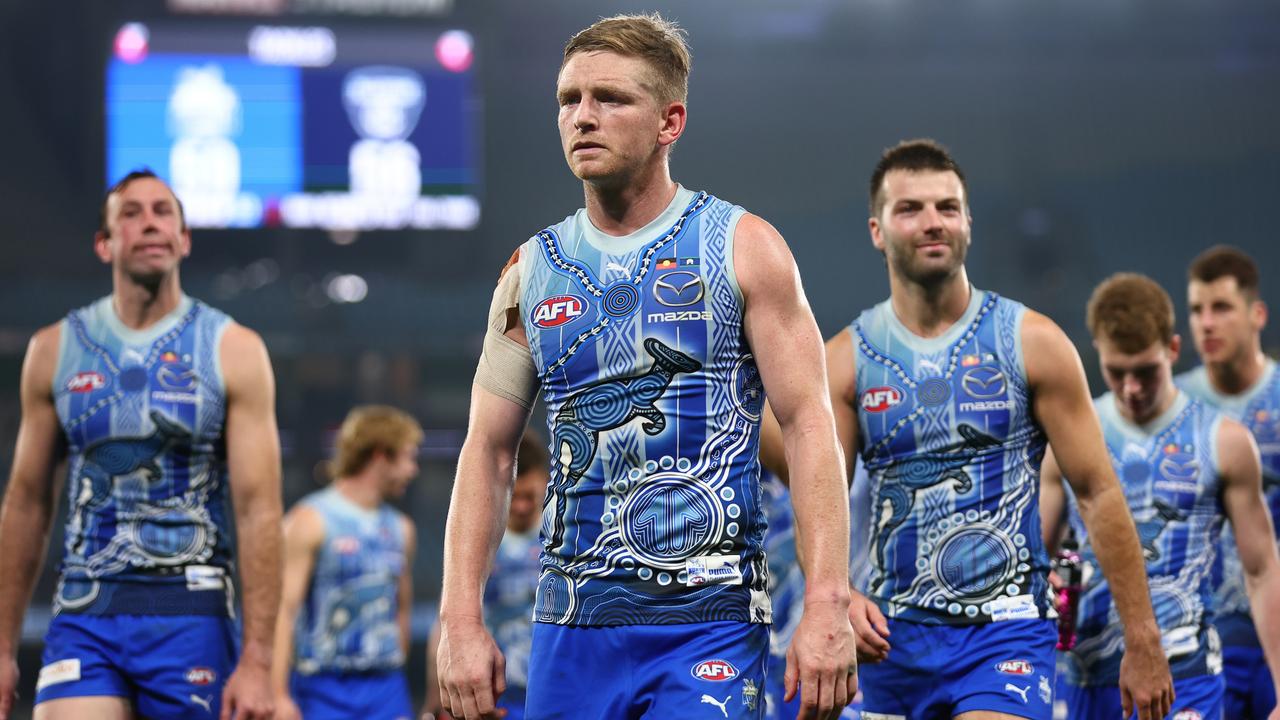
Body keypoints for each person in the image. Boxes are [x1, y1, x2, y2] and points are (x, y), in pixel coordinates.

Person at [435, 13, 857, 720]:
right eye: (569, 100)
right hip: (570, 630)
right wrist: (458, 622)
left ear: (670, 122)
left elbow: (811, 425)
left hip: (709, 621)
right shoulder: (531, 272)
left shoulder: (745, 248)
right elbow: (487, 450)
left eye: (610, 99)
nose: (583, 117)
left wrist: (827, 602)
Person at [762, 139, 1173, 720]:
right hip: (889, 639)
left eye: (947, 208)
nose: (933, 223)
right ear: (877, 230)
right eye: (911, 209)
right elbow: (819, 492)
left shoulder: (1034, 344)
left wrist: (1144, 637)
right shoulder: (846, 362)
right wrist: (837, 596)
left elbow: (1099, 492)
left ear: (969, 224)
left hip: (1004, 636)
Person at [0, 169, 282, 720]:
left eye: (162, 212)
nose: (149, 223)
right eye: (131, 213)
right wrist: (2, 646)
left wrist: (258, 660)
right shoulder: (53, 349)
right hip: (87, 604)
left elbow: (259, 511)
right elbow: (27, 502)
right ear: (105, 243)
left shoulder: (234, 349)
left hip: (191, 609)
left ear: (184, 239)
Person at [1043, 272, 1280, 718]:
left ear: (1172, 350)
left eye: (1145, 372)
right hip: (1086, 678)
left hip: (1185, 675)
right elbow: (1032, 557)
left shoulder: (1225, 441)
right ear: (1096, 351)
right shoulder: (1070, 438)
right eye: (1117, 372)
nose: (1132, 389)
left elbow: (1263, 569)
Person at [1177, 245, 1280, 718]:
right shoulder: (1177, 408)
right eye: (1197, 310)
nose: (1206, 323)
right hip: (1209, 632)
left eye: (1221, 307)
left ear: (1257, 314)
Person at [272, 405, 422, 720]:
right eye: (409, 457)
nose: (413, 470)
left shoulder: (402, 529)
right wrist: (278, 694)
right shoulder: (309, 520)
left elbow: (402, 608)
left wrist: (392, 671)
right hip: (322, 687)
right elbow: (283, 611)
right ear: (382, 455)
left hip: (385, 688)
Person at [425, 430, 548, 720]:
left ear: (544, 480)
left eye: (529, 496)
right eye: (514, 497)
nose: (520, 506)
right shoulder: (476, 544)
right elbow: (446, 622)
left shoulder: (564, 537)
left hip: (550, 689)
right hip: (492, 697)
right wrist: (436, 698)